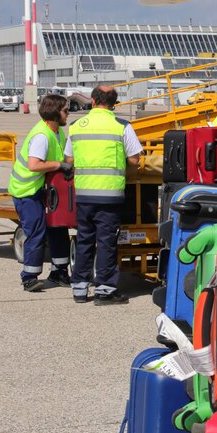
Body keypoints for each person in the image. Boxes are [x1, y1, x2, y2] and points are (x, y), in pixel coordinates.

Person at [65, 86, 143, 305]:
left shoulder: (76, 126)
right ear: (114, 103)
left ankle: (79, 289)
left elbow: (69, 160)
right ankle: (105, 290)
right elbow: (135, 159)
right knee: (107, 242)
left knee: (84, 241)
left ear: (92, 100)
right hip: (110, 195)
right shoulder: (122, 126)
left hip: (84, 195)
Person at [8, 94, 74, 292]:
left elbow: (63, 158)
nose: (68, 113)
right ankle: (29, 277)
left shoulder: (58, 132)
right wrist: (60, 165)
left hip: (43, 189)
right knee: (37, 231)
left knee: (59, 227)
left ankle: (59, 272)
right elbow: (34, 165)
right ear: (55, 113)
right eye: (65, 110)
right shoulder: (41, 136)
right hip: (26, 191)